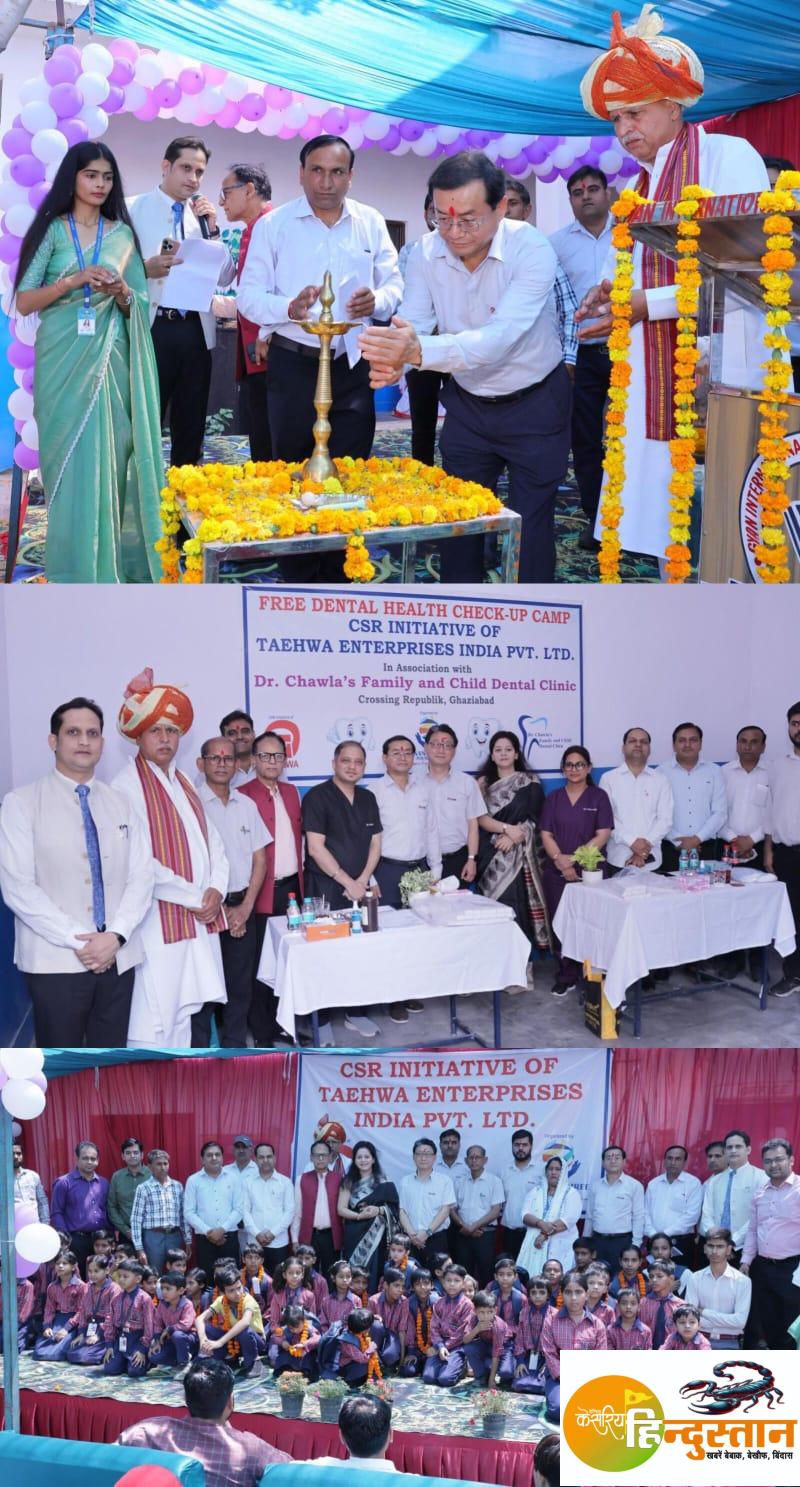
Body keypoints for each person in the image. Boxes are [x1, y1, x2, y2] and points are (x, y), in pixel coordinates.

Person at [576, 8, 769, 571]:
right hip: (653, 379)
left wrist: (646, 304)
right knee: (674, 536)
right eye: (616, 119)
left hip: (728, 367)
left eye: (634, 112)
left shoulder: (727, 156)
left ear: (674, 105)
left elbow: (749, 272)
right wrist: (612, 294)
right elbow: (638, 275)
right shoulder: (639, 188)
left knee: (735, 531)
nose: (624, 129)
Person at [360, 150, 571, 585]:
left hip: (535, 404)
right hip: (468, 406)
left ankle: (533, 616)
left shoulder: (532, 248)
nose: (454, 233)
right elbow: (415, 320)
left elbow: (499, 338)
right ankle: (461, 611)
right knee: (460, 521)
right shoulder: (425, 251)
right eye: (442, 219)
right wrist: (395, 357)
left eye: (469, 220)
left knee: (531, 525)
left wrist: (414, 352)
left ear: (501, 206)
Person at [13, 142, 163, 583]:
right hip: (60, 359)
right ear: (73, 178)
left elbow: (138, 302)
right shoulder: (53, 231)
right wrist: (74, 280)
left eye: (108, 177)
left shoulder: (122, 235)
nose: (100, 185)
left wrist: (121, 293)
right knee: (67, 460)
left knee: (111, 459)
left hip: (109, 358)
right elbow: (24, 301)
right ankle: (72, 569)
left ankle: (109, 566)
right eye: (91, 175)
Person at [239, 134, 402, 469]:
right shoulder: (273, 225)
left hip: (352, 366)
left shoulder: (370, 221)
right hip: (293, 366)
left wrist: (376, 300)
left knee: (351, 469)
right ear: (301, 173)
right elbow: (248, 297)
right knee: (291, 469)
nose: (326, 182)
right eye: (317, 170)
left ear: (350, 176)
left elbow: (395, 286)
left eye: (337, 172)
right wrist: (289, 308)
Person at [0, 696, 153, 1047]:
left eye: (92, 733)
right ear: (53, 741)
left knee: (110, 1062)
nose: (84, 741)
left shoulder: (122, 803)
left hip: (118, 957)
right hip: (56, 960)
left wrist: (116, 936)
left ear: (102, 743)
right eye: (73, 732)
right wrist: (78, 940)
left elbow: (142, 876)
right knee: (62, 1066)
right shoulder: (21, 803)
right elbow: (18, 887)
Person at [113, 670, 229, 1048]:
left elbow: (213, 843)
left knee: (183, 1014)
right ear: (138, 735)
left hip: (196, 917)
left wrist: (217, 888)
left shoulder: (184, 782)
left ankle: (175, 1079)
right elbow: (139, 861)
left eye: (172, 730)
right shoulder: (125, 786)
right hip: (155, 921)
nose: (165, 738)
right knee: (155, 1018)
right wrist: (197, 897)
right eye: (155, 730)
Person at [129, 136, 235, 468]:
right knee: (145, 419)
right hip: (152, 327)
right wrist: (144, 269)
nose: (193, 178)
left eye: (199, 172)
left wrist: (214, 231)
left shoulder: (202, 219)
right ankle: (142, 492)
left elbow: (226, 277)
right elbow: (112, 268)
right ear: (166, 166)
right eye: (186, 168)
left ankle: (184, 494)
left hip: (195, 330)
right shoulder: (133, 208)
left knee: (190, 422)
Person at [549, 166, 614, 551]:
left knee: (629, 438)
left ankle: (633, 521)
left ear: (608, 193)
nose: (586, 196)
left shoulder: (631, 236)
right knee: (585, 439)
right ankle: (597, 519)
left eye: (592, 189)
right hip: (581, 356)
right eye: (577, 192)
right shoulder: (555, 244)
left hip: (628, 350)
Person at [302, 740, 382, 1040]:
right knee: (324, 955)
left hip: (360, 888)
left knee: (361, 954)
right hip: (326, 888)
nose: (352, 766)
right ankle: (320, 1020)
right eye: (346, 760)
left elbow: (376, 843)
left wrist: (363, 880)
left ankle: (356, 1013)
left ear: (364, 766)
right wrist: (349, 882)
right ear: (334, 763)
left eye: (358, 762)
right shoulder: (317, 797)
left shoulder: (368, 798)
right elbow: (315, 848)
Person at [117, 1357, 291, 1486]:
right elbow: (293, 1470)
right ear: (230, 1402)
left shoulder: (149, 1431)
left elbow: (108, 1456)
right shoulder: (250, 1449)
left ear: (186, 1399)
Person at [197, 737, 269, 1046]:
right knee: (205, 990)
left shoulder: (247, 805)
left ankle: (234, 1051)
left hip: (242, 907)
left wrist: (245, 908)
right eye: (215, 758)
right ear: (201, 764)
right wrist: (221, 911)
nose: (222, 764)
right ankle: (201, 1057)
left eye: (228, 758)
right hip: (204, 912)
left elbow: (260, 860)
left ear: (236, 765)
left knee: (240, 988)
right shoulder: (191, 805)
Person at [239, 730, 304, 1045]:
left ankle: (281, 1022)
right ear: (254, 759)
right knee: (259, 965)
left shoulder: (291, 792)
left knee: (285, 962)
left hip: (292, 890)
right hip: (261, 892)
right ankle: (262, 1032)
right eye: (265, 755)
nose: (272, 761)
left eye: (278, 756)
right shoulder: (242, 795)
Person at [372, 733, 440, 1024]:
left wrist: (435, 871)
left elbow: (432, 831)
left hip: (419, 870)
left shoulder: (422, 790)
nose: (402, 756)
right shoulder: (374, 792)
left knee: (416, 935)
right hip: (386, 870)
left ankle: (411, 990)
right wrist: (370, 878)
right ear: (384, 758)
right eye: (395, 752)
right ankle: (393, 997)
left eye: (407, 752)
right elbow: (367, 838)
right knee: (390, 936)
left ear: (414, 758)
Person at [539, 745, 613, 996]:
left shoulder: (599, 797)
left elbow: (603, 834)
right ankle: (566, 974)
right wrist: (560, 860)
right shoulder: (554, 798)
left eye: (580, 764)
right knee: (562, 923)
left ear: (589, 768)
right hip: (557, 871)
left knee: (592, 923)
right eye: (569, 765)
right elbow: (546, 834)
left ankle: (592, 975)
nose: (574, 769)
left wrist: (574, 860)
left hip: (590, 872)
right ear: (563, 769)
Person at [475, 729, 550, 952]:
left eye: (508, 749)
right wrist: (507, 830)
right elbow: (479, 818)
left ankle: (522, 965)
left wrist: (515, 837)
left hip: (521, 857)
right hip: (490, 854)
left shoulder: (529, 782)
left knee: (519, 908)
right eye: (498, 750)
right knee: (494, 910)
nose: (503, 753)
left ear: (516, 754)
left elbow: (537, 818)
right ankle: (495, 962)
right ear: (492, 755)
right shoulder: (482, 784)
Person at [217, 164, 273, 461]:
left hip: (272, 349)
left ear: (249, 190)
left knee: (274, 437)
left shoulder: (274, 227)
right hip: (252, 352)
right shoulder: (250, 230)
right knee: (259, 431)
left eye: (226, 193)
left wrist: (268, 333)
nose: (221, 201)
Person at [504, 176, 579, 378]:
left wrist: (569, 359)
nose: (506, 210)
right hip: (495, 369)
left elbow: (569, 309)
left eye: (513, 203)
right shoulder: (479, 255)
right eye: (500, 204)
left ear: (526, 211)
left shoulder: (541, 252)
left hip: (542, 365)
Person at [400, 191, 446, 467]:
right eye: (433, 210)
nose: (438, 216)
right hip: (421, 346)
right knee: (422, 416)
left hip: (457, 345)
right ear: (425, 213)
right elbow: (408, 297)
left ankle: (457, 473)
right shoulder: (412, 250)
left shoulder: (466, 248)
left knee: (461, 416)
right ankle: (423, 470)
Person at [741, 1138, 800, 1349]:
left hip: (792, 1270)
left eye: (779, 1159)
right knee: (768, 1323)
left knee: (790, 1327)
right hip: (763, 1268)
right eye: (768, 1161)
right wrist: (746, 1261)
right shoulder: (760, 1193)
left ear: (791, 1160)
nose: (773, 1165)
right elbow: (753, 1230)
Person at [602, 727, 674, 873]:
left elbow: (665, 819)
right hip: (618, 858)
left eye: (644, 742)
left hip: (652, 860)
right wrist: (632, 842)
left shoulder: (661, 780)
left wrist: (643, 848)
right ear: (623, 748)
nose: (638, 745)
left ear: (649, 749)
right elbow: (607, 819)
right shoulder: (608, 779)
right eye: (632, 741)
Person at [659, 722, 727, 874]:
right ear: (674, 745)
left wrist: (696, 839)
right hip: (671, 848)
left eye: (693, 740)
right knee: (670, 889)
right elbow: (657, 814)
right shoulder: (661, 773)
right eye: (682, 740)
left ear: (700, 744)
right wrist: (679, 840)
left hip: (705, 848)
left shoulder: (715, 771)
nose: (687, 745)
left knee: (706, 889)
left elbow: (720, 812)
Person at [765, 701, 800, 996]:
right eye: (795, 724)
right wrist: (768, 850)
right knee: (793, 916)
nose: (799, 729)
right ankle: (794, 975)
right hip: (786, 853)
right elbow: (770, 809)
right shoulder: (778, 766)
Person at [540, 1270, 608, 1421]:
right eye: (568, 1292)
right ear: (561, 1294)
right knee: (558, 1410)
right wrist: (563, 1377)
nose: (574, 1298)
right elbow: (549, 1353)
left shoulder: (597, 1325)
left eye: (578, 1292)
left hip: (587, 1379)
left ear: (587, 1294)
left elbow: (600, 1358)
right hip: (559, 1377)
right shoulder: (551, 1320)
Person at [424, 725, 484, 882]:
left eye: (447, 745)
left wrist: (472, 859)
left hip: (457, 860)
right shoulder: (413, 782)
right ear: (426, 747)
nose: (441, 749)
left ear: (454, 750)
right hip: (421, 862)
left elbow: (473, 825)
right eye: (435, 744)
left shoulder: (467, 782)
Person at [338, 1141, 400, 1295]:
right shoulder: (348, 1181)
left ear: (373, 1159)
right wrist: (359, 1216)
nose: (363, 1160)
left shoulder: (385, 1182)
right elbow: (341, 1209)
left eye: (367, 1157)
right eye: (359, 1157)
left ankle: (372, 1303)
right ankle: (352, 1304)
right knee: (353, 1271)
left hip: (377, 1237)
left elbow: (395, 1208)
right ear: (354, 1160)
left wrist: (378, 1210)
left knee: (374, 1270)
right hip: (354, 1233)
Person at [700, 1129, 768, 1264]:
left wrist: (732, 1241)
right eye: (729, 1147)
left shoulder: (762, 1178)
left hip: (745, 1249)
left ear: (748, 1149)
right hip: (715, 1250)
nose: (733, 1150)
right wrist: (718, 1241)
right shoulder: (714, 1181)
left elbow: (758, 1217)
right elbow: (706, 1214)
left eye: (738, 1146)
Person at [682, 1227, 751, 1348]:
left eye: (720, 1246)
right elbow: (690, 1318)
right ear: (704, 1248)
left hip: (729, 1343)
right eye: (711, 1246)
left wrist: (703, 1312)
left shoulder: (742, 1281)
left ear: (728, 1249)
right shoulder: (695, 1278)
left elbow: (740, 1322)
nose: (714, 1251)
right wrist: (728, 1321)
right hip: (698, 1341)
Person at [51, 1142, 110, 1278]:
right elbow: (56, 1212)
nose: (89, 1162)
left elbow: (107, 1209)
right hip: (76, 1240)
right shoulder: (64, 1183)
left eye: (93, 1159)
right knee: (79, 1278)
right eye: (85, 1158)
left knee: (101, 1278)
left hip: (99, 1241)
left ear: (98, 1160)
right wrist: (66, 1240)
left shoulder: (103, 1183)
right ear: (77, 1159)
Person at [583, 1145, 645, 1271]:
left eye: (617, 1157)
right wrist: (585, 1242)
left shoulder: (634, 1185)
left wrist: (636, 1244)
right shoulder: (595, 1186)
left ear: (624, 1162)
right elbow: (590, 1216)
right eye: (609, 1158)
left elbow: (639, 1217)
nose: (612, 1161)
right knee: (597, 1276)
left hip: (622, 1241)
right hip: (598, 1241)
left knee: (620, 1277)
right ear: (602, 1163)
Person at [518, 1155, 583, 1275]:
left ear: (563, 1172)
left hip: (560, 1245)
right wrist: (540, 1223)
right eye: (550, 1169)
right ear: (546, 1171)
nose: (553, 1172)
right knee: (533, 1277)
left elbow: (567, 1221)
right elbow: (525, 1215)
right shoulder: (535, 1192)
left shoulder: (571, 1194)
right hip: (534, 1244)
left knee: (557, 1277)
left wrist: (544, 1234)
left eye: (558, 1169)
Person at [398, 1138, 457, 1269]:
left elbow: (445, 1210)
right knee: (410, 1275)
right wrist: (412, 1235)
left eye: (427, 1154)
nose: (423, 1158)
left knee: (437, 1274)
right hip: (411, 1240)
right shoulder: (405, 1181)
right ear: (413, 1157)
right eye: (419, 1154)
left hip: (436, 1238)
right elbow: (402, 1210)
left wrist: (427, 1233)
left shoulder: (444, 1181)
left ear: (434, 1157)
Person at [185, 1141, 243, 1273]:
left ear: (222, 1158)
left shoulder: (234, 1178)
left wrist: (222, 1230)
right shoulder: (193, 1180)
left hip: (229, 1237)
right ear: (202, 1159)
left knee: (231, 1277)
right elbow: (189, 1212)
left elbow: (239, 1209)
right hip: (204, 1238)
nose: (214, 1158)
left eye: (217, 1154)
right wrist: (209, 1232)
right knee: (207, 1278)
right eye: (209, 1155)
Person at [197, 1264, 265, 1376]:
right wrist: (203, 1341)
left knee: (244, 1331)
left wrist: (219, 1342)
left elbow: (245, 1322)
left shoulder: (248, 1300)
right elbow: (200, 1319)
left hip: (255, 1341)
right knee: (208, 1329)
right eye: (231, 1290)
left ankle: (253, 1362)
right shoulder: (221, 1300)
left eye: (239, 1288)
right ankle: (224, 1358)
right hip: (233, 1341)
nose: (237, 1293)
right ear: (223, 1292)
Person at [130, 1148, 189, 1273]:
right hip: (153, 1237)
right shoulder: (143, 1188)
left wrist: (188, 1240)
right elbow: (136, 1220)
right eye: (158, 1164)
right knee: (154, 1273)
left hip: (174, 1236)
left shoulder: (177, 1186)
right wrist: (139, 1249)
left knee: (176, 1273)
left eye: (165, 1163)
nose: (163, 1167)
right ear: (150, 1166)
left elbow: (183, 1216)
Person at [720, 726, 771, 870]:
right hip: (726, 845)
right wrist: (733, 838)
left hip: (762, 847)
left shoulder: (773, 774)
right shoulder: (722, 773)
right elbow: (715, 811)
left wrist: (752, 839)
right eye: (743, 741)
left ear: (763, 747)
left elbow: (776, 813)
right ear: (737, 745)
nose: (747, 747)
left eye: (754, 742)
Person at [451, 1145, 504, 1282]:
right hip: (463, 1234)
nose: (474, 1160)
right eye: (471, 1157)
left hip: (485, 1235)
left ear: (485, 1160)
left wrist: (473, 1227)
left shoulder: (494, 1181)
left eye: (478, 1157)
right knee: (463, 1274)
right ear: (466, 1160)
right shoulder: (459, 1182)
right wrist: (465, 1227)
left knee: (486, 1272)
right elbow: (452, 1209)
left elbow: (495, 1211)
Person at [291, 1138, 343, 1278]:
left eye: (324, 1155)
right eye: (316, 1155)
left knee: (332, 1275)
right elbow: (297, 1212)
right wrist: (295, 1239)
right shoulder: (302, 1179)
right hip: (309, 1236)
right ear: (311, 1157)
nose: (320, 1158)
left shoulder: (339, 1179)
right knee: (307, 1275)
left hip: (331, 1237)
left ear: (330, 1157)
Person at [643, 1145, 703, 1266]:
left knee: (680, 1276)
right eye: (670, 1158)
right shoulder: (654, 1184)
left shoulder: (693, 1184)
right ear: (664, 1160)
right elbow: (645, 1213)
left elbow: (692, 1216)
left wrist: (663, 1235)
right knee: (655, 1275)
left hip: (680, 1242)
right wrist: (654, 1235)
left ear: (684, 1162)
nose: (673, 1162)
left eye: (678, 1159)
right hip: (654, 1242)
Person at [241, 1141, 295, 1272]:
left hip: (278, 1242)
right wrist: (257, 1234)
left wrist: (272, 1233)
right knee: (253, 1279)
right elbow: (244, 1211)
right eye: (261, 1157)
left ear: (274, 1158)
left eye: (269, 1156)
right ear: (255, 1159)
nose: (265, 1160)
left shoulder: (285, 1182)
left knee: (278, 1278)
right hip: (254, 1242)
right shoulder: (248, 1182)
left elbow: (289, 1212)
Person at [423, 1264, 475, 1385]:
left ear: (463, 1283)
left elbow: (461, 1333)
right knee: (428, 1377)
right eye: (448, 1280)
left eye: (456, 1281)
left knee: (445, 1379)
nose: (452, 1284)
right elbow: (434, 1328)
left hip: (458, 1346)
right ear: (443, 1282)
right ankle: (447, 1366)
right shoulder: (438, 1303)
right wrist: (440, 1346)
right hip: (440, 1344)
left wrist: (445, 1346)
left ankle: (462, 1366)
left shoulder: (467, 1305)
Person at [102, 1258, 154, 1376]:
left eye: (125, 1276)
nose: (121, 1279)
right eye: (119, 1276)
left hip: (137, 1340)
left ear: (138, 1279)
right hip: (121, 1338)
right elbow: (109, 1321)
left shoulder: (144, 1299)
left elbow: (149, 1327)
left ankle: (147, 1361)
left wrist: (142, 1349)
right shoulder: (116, 1297)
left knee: (134, 1372)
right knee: (110, 1369)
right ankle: (123, 1360)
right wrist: (109, 1345)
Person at [500, 1129, 536, 1256]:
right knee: (509, 1267)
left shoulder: (541, 1170)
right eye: (517, 1145)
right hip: (509, 1233)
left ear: (531, 1146)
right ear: (512, 1146)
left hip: (533, 1232)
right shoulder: (504, 1171)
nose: (520, 1148)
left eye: (524, 1145)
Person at [13, 1142, 49, 1223]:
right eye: (12, 1154)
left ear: (22, 1155)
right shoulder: (3, 1180)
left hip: (34, 1226)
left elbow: (42, 1202)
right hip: (12, 1227)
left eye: (18, 1153)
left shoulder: (33, 1176)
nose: (15, 1157)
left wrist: (45, 1224)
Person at [219, 710, 257, 789]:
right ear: (223, 738)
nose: (239, 737)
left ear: (254, 735)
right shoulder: (213, 770)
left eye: (245, 731)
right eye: (232, 733)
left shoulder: (270, 765)